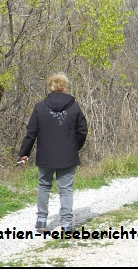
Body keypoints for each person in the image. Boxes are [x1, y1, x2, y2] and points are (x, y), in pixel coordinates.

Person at [18, 72, 88, 233]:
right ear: (64, 87)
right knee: (66, 189)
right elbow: (83, 131)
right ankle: (66, 224)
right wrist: (74, 147)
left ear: (51, 87)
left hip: (46, 155)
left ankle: (41, 221)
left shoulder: (40, 107)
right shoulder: (74, 107)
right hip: (67, 156)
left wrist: (24, 152)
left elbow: (31, 133)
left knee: (43, 186)